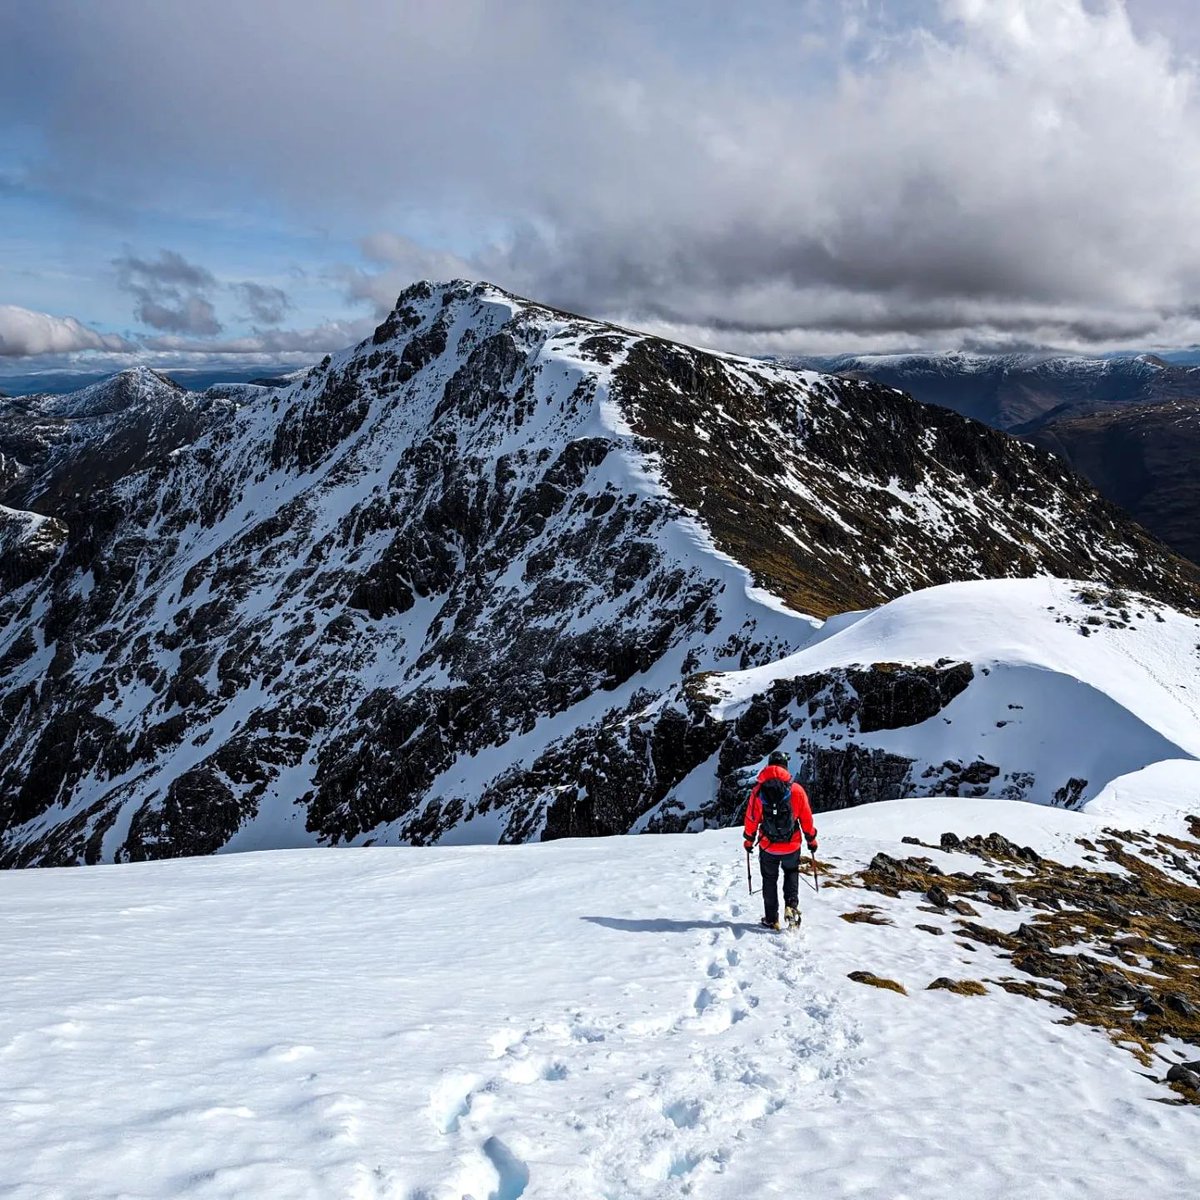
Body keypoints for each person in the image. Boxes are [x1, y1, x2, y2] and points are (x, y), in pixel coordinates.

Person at [743, 750, 818, 930]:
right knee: (791, 873)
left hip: (768, 846)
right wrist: (811, 840)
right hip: (792, 845)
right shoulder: (796, 790)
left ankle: (771, 919)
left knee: (769, 879)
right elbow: (806, 818)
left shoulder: (758, 791)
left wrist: (748, 840)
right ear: (785, 766)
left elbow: (752, 819)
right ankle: (791, 908)